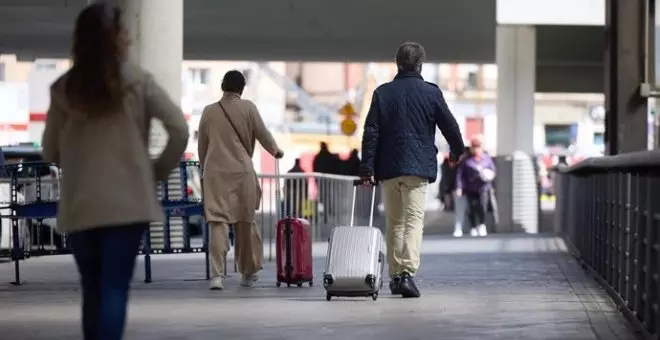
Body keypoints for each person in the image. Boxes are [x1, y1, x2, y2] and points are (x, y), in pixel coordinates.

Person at [40, 3, 189, 340]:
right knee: (113, 289)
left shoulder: (63, 89)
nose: (129, 41)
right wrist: (155, 172)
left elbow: (50, 150)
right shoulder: (138, 82)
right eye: (124, 33)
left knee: (91, 291)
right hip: (127, 205)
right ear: (114, 39)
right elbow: (178, 129)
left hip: (81, 205)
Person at [359, 42, 465, 298]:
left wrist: (367, 169)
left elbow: (371, 132)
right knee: (414, 221)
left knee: (394, 222)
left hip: (389, 168)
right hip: (417, 167)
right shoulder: (430, 93)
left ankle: (396, 276)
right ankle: (406, 274)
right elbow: (449, 126)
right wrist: (457, 151)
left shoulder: (383, 93)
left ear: (397, 64)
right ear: (420, 65)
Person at [198, 70, 283, 290]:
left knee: (217, 222)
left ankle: (217, 275)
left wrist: (204, 169)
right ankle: (248, 272)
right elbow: (263, 134)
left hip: (215, 173)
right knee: (245, 222)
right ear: (242, 88)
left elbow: (202, 147)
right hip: (241, 172)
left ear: (222, 86)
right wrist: (276, 151)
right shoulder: (248, 108)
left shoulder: (209, 111)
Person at [455, 136, 496, 237]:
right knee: (472, 208)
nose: (476, 149)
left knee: (482, 206)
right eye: (474, 147)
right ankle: (473, 226)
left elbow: (493, 170)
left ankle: (481, 225)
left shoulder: (486, 159)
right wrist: (459, 187)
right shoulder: (466, 160)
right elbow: (460, 174)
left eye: (478, 147)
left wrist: (490, 176)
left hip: (484, 188)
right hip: (470, 188)